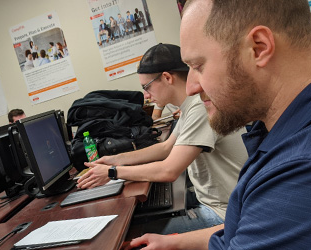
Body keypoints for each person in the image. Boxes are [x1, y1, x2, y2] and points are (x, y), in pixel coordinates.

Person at [128, 0, 311, 249]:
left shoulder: (296, 172)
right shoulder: (276, 135)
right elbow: (240, 228)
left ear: (258, 48)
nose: (191, 86)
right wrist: (175, 243)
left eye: (198, 66)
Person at [78, 43, 248, 237]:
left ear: (167, 77)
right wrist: (116, 159)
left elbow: (169, 170)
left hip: (224, 215)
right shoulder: (189, 105)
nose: (146, 96)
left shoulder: (200, 107)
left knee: (131, 235)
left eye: (146, 87)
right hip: (215, 202)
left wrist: (112, 172)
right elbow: (166, 148)